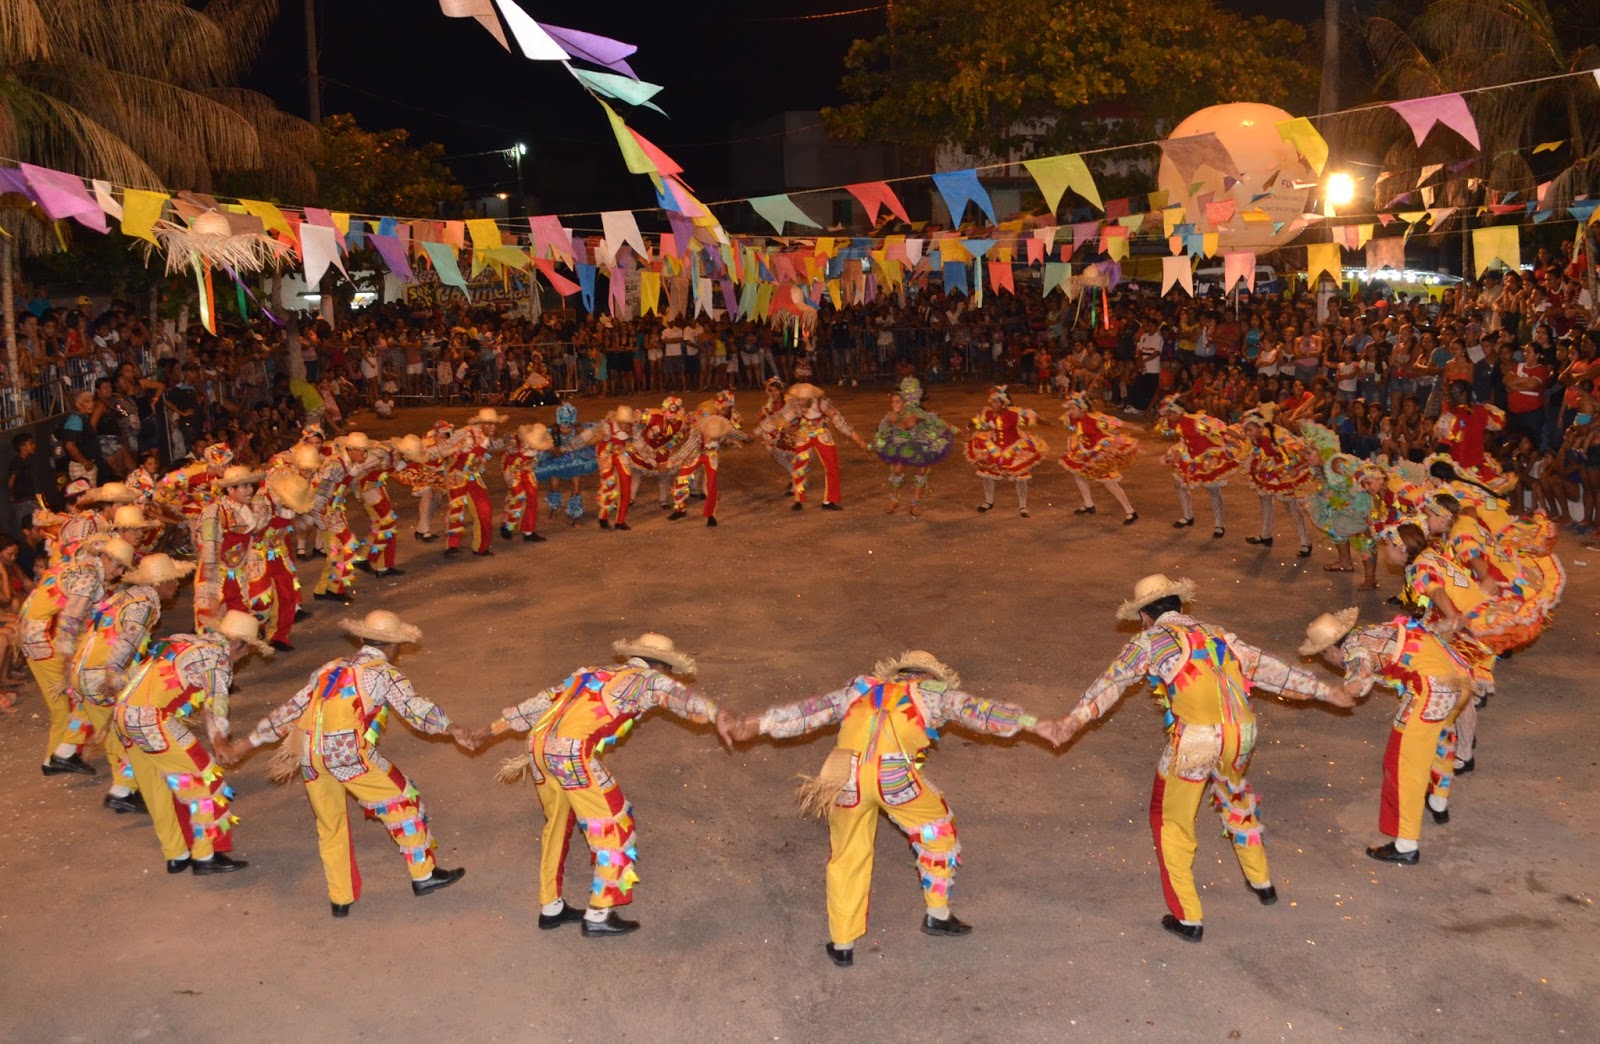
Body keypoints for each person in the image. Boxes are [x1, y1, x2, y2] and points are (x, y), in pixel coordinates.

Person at [1049, 574, 1353, 943]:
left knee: (1170, 820)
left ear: (1145, 616)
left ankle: (1188, 917)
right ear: (1178, 605)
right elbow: (1270, 668)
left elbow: (1111, 682)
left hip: (1197, 739)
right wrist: (1323, 691)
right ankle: (1262, 882)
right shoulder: (1218, 633)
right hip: (1242, 733)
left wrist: (1074, 720)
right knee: (1234, 795)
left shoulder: (1151, 641)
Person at [721, 650, 1050, 968]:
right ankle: (937, 914)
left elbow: (806, 713)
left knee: (847, 854)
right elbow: (979, 711)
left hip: (842, 775)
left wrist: (754, 723)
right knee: (937, 827)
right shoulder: (933, 693)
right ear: (928, 676)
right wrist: (1035, 723)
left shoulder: (859, 691)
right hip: (892, 778)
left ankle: (842, 944)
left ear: (898, 674)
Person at [220, 610, 475, 918]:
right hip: (347, 755)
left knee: (330, 825)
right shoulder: (382, 673)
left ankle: (340, 898)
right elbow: (414, 709)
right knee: (403, 799)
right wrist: (451, 728)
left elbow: (291, 710)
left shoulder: (331, 668)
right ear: (393, 647)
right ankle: (424, 874)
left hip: (311, 756)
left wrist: (245, 744)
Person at [471, 633, 723, 937]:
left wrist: (491, 729)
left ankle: (551, 908)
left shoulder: (589, 673)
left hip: (538, 748)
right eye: (668, 670)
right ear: (660, 665)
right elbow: (684, 700)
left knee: (557, 824)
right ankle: (599, 914)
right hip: (571, 755)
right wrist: (721, 717)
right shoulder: (647, 679)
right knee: (614, 826)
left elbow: (539, 703)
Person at [1301, 608, 1481, 865]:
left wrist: (1343, 692)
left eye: (1323, 656)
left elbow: (1360, 676)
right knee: (1441, 737)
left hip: (1433, 691)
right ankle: (1438, 803)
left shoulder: (1354, 651)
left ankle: (1406, 844)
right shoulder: (1370, 631)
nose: (1327, 661)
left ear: (1330, 650)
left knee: (1402, 765)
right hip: (1458, 679)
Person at [113, 609, 269, 875]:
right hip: (153, 721)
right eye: (246, 651)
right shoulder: (217, 659)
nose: (244, 658)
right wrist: (220, 740)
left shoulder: (183, 640)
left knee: (156, 788)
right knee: (206, 782)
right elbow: (216, 703)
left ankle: (176, 855)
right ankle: (205, 856)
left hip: (123, 714)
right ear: (236, 643)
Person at [62, 552, 195, 812]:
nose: (177, 585)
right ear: (160, 583)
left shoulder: (128, 595)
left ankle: (121, 789)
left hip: (85, 670)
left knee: (115, 736)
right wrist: (114, 676)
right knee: (128, 736)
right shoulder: (143, 605)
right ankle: (125, 791)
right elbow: (127, 641)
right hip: (99, 675)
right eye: (174, 580)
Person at [22, 535, 137, 773]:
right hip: (42, 638)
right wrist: (68, 661)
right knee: (63, 705)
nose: (117, 572)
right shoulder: (89, 576)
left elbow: (94, 610)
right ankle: (53, 760)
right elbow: (71, 620)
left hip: (37, 633)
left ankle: (63, 753)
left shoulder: (81, 568)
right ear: (103, 556)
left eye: (122, 568)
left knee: (79, 698)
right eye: (115, 564)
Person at [756, 383, 868, 511]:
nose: (800, 401)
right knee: (799, 466)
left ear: (810, 398)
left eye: (803, 399)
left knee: (832, 466)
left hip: (821, 434)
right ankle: (799, 499)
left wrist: (857, 438)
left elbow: (839, 421)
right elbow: (781, 418)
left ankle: (829, 501)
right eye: (799, 398)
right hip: (804, 435)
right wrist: (761, 428)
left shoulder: (823, 403)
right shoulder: (796, 404)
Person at [1239, 404, 1320, 559]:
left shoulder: (1276, 434)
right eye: (1246, 430)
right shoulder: (1257, 437)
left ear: (1259, 426)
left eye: (1250, 430)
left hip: (1286, 468)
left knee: (1291, 506)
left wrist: (1298, 467)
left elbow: (1299, 448)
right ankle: (1266, 534)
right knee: (1264, 499)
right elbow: (1260, 452)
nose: (1247, 434)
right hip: (1269, 468)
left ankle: (1305, 542)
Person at [1155, 396, 1244, 538]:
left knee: (1213, 490)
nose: (1168, 416)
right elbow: (1184, 439)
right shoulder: (1179, 423)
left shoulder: (1197, 419)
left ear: (1179, 411)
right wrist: (1178, 451)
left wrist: (1242, 439)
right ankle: (1188, 516)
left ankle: (1219, 525)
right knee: (1179, 483)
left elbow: (1222, 427)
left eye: (1170, 413)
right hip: (1191, 455)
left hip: (1209, 458)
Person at [869, 378, 958, 518]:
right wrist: (874, 443)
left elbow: (936, 421)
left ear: (905, 402)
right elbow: (881, 432)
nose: (893, 404)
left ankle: (915, 503)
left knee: (922, 470)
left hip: (919, 441)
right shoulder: (891, 416)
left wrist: (954, 429)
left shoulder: (915, 412)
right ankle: (894, 499)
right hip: (900, 443)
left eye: (897, 401)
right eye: (892, 402)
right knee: (897, 469)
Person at [194, 465, 264, 627]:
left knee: (240, 621)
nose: (250, 490)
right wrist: (211, 589)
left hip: (236, 573)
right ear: (230, 490)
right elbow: (210, 550)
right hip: (216, 574)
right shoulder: (214, 512)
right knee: (212, 622)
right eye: (244, 486)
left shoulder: (248, 509)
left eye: (250, 485)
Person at [965, 386, 1049, 517]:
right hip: (995, 447)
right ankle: (988, 501)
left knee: (1020, 476)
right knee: (987, 472)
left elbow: (1034, 418)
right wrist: (966, 427)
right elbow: (976, 420)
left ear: (1004, 404)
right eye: (992, 401)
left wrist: (1049, 423)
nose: (993, 404)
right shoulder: (988, 413)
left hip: (1014, 448)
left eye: (996, 402)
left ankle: (1023, 506)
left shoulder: (1014, 414)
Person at [1057, 393, 1141, 524]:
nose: (1070, 411)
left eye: (1073, 408)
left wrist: (1140, 428)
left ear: (1082, 409)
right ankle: (1088, 504)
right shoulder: (1074, 418)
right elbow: (1070, 425)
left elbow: (1119, 423)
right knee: (1078, 474)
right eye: (1070, 408)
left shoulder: (1096, 418)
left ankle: (1130, 511)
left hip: (1100, 453)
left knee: (1109, 483)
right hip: (1085, 450)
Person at [443, 408, 505, 557]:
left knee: (485, 511)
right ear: (481, 423)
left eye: (494, 424)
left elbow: (497, 447)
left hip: (473, 476)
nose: (493, 428)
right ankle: (451, 546)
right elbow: (447, 448)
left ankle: (481, 547)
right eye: (489, 424)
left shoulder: (486, 436)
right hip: (456, 475)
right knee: (456, 512)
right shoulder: (466, 433)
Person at [663, 415, 744, 527]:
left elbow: (735, 433)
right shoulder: (697, 433)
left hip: (711, 456)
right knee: (680, 480)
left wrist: (746, 438)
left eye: (715, 436)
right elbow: (686, 449)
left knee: (711, 486)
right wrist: (669, 462)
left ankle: (710, 515)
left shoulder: (723, 430)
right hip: (695, 455)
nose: (711, 437)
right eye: (710, 435)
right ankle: (679, 509)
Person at [501, 424, 550, 542]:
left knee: (532, 496)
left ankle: (528, 531)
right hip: (512, 469)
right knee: (519, 495)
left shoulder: (538, 445)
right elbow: (504, 443)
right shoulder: (515, 441)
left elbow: (533, 462)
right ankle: (508, 526)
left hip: (527, 470)